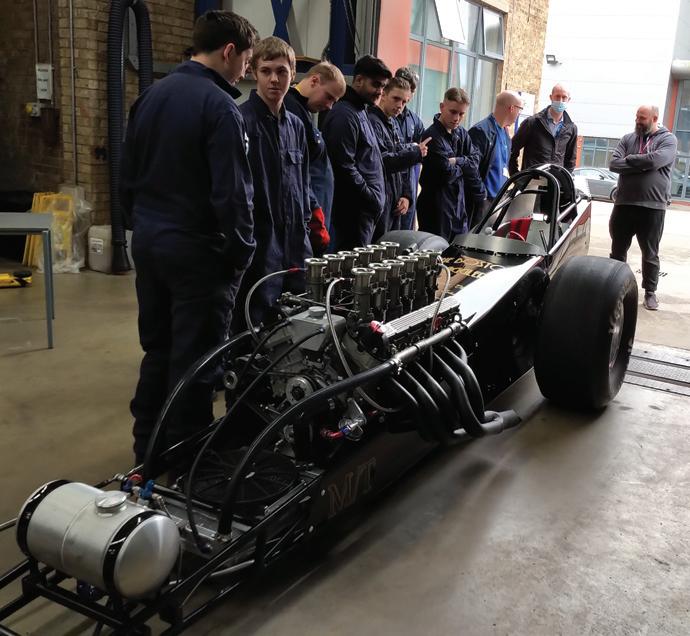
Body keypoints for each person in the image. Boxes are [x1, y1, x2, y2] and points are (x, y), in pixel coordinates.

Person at [121, 10, 257, 465]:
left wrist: (141, 227)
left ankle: (148, 452)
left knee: (158, 349)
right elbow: (232, 194)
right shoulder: (220, 108)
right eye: (247, 62)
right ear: (229, 51)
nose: (245, 72)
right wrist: (241, 254)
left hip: (149, 242)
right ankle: (187, 463)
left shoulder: (150, 97)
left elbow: (126, 175)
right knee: (196, 360)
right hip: (197, 252)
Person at [237, 36, 313, 327]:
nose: (274, 79)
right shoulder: (241, 121)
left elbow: (304, 184)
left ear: (293, 74)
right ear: (253, 72)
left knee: (296, 319)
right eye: (266, 71)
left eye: (281, 71)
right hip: (258, 246)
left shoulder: (297, 126)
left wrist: (306, 227)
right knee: (253, 324)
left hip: (295, 244)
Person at [608, 105, 677, 311]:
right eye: (637, 117)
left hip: (652, 206)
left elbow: (656, 161)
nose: (638, 121)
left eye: (642, 118)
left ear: (654, 118)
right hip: (624, 204)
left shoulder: (668, 140)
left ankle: (650, 293)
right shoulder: (627, 139)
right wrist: (642, 163)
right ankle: (616, 288)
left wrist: (629, 160)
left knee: (650, 253)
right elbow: (614, 164)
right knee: (618, 250)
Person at [322, 55, 392, 249]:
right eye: (376, 85)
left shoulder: (361, 112)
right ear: (359, 80)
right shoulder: (344, 115)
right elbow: (344, 167)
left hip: (364, 215)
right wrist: (371, 198)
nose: (380, 92)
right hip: (352, 216)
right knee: (351, 267)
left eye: (383, 86)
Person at [283, 61, 346, 255]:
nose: (329, 106)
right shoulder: (291, 110)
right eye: (329, 97)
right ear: (314, 80)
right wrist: (314, 215)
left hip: (316, 213)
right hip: (307, 217)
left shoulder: (302, 111)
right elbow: (297, 173)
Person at [416, 87, 485, 241]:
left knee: (458, 250)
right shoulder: (431, 136)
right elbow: (446, 173)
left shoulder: (461, 133)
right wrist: (464, 166)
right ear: (442, 107)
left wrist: (457, 161)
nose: (457, 118)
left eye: (461, 114)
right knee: (436, 250)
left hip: (458, 206)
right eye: (453, 112)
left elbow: (475, 162)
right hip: (436, 208)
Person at [368, 76, 430, 238]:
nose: (400, 106)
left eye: (404, 102)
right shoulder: (373, 122)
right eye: (396, 99)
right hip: (379, 198)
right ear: (383, 94)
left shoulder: (393, 122)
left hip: (394, 200)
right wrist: (415, 153)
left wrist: (406, 195)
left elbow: (403, 165)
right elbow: (383, 161)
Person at [467, 91, 523, 226]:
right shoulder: (481, 131)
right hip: (483, 202)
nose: (519, 114)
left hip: (498, 200)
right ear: (512, 108)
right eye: (520, 109)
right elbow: (471, 169)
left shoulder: (505, 133)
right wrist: (482, 196)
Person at [508, 83, 577, 175]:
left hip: (555, 182)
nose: (560, 100)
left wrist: (563, 180)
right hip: (532, 180)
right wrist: (517, 177)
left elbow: (571, 161)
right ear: (551, 97)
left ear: (568, 99)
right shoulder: (532, 123)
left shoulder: (571, 128)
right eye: (557, 96)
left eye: (564, 97)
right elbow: (511, 150)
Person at [394, 67, 426, 230]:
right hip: (391, 184)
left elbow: (421, 153)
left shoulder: (415, 121)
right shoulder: (384, 117)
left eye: (412, 90)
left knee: (405, 233)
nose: (409, 92)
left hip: (409, 185)